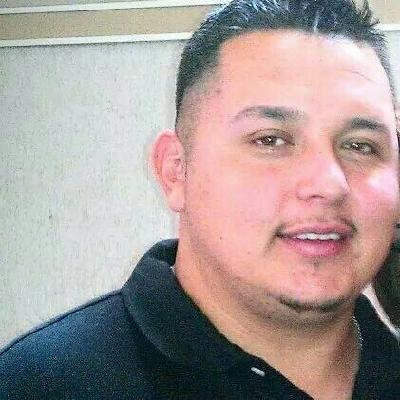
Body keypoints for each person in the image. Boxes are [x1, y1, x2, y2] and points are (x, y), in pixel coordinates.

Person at [1, 0, 400, 398]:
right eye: (270, 140)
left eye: (360, 146)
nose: (329, 184)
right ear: (175, 171)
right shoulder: (36, 385)